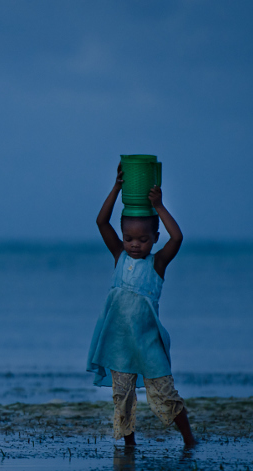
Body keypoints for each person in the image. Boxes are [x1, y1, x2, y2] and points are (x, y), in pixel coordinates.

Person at [87, 164, 196, 449]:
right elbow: (101, 222)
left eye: (143, 239)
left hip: (148, 343)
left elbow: (178, 238)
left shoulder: (157, 263)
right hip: (120, 343)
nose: (135, 245)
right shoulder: (119, 256)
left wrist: (158, 205)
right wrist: (116, 189)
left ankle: (189, 439)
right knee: (122, 398)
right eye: (129, 238)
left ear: (154, 238)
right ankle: (129, 445)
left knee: (165, 393)